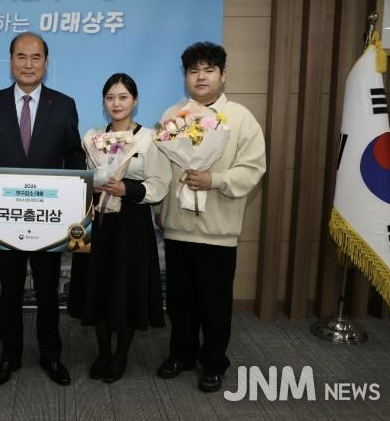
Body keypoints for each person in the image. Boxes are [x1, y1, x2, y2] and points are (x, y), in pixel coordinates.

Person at [0, 32, 86, 387]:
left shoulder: (63, 105)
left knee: (49, 290)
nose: (28, 64)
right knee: (9, 291)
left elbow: (74, 157)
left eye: (36, 57)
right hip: (6, 219)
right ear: (10, 62)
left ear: (46, 63)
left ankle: (51, 355)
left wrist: (80, 198)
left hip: (49, 220)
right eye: (21, 56)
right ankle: (10, 354)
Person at [156, 42, 266, 392]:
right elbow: (160, 170)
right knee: (179, 301)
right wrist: (159, 209)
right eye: (193, 70)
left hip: (218, 231)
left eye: (208, 70)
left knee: (215, 304)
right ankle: (182, 354)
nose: (200, 77)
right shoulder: (173, 115)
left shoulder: (240, 118)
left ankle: (213, 363)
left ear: (223, 75)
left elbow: (253, 169)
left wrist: (214, 180)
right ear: (185, 76)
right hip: (178, 228)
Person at [69, 73, 171, 383]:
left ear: (135, 101)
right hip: (98, 223)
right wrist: (93, 184)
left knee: (127, 288)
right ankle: (103, 352)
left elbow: (160, 183)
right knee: (98, 286)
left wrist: (128, 188)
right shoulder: (92, 138)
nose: (116, 103)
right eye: (110, 97)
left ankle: (121, 354)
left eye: (123, 97)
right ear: (103, 101)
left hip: (132, 224)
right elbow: (82, 178)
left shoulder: (149, 139)